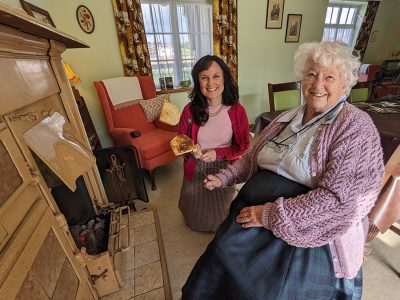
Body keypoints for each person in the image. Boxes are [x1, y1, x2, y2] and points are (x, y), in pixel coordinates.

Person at [182, 42, 384, 299]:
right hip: (254, 211)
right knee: (218, 256)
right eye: (311, 74)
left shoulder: (355, 127)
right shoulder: (287, 118)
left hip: (306, 227)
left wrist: (269, 215)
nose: (318, 83)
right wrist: (225, 176)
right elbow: (252, 158)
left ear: (345, 83)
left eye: (329, 77)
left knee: (267, 290)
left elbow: (339, 201)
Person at [178, 55, 250, 232]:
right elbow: (180, 142)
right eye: (204, 77)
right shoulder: (189, 109)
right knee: (195, 211)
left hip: (224, 166)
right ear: (198, 81)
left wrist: (218, 153)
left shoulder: (237, 110)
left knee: (221, 214)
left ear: (225, 78)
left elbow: (242, 146)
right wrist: (191, 150)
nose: (211, 83)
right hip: (196, 166)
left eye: (216, 76)